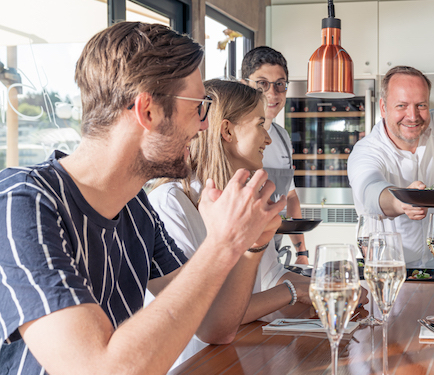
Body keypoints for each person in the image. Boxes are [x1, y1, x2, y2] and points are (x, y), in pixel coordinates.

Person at [0, 22, 285, 375]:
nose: (205, 126)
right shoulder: (22, 202)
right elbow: (99, 369)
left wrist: (249, 246)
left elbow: (215, 326)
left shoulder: (137, 208)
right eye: (199, 107)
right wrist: (221, 246)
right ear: (147, 111)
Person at [147, 79, 331, 369]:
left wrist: (327, 292)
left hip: (246, 357)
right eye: (260, 124)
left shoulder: (248, 198)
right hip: (198, 364)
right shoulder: (170, 202)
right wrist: (295, 292)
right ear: (227, 130)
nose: (268, 139)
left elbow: (270, 280)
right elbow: (207, 318)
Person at [347, 65, 434, 269]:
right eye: (401, 105)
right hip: (386, 268)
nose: (412, 116)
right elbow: (370, 191)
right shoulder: (366, 150)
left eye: (421, 105)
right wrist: (403, 201)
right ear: (383, 107)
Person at [241, 47, 310, 265]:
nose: (273, 93)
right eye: (262, 84)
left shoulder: (282, 137)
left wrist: (302, 253)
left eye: (280, 84)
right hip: (242, 253)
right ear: (244, 86)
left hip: (274, 252)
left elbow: (289, 197)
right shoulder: (233, 137)